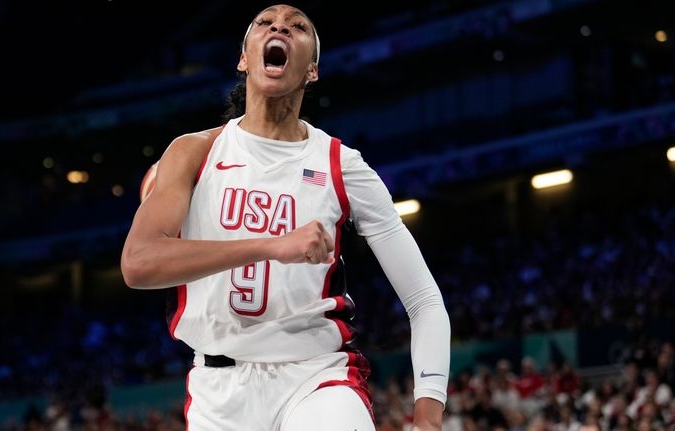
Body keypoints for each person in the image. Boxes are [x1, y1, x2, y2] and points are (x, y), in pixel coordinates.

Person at [121, 4, 450, 430]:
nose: (279, 26)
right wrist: (274, 245)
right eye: (264, 23)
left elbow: (424, 299)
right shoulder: (193, 152)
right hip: (218, 392)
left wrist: (428, 414)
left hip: (316, 377)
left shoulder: (340, 164)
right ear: (244, 58)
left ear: (311, 70)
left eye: (297, 26)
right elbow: (138, 264)